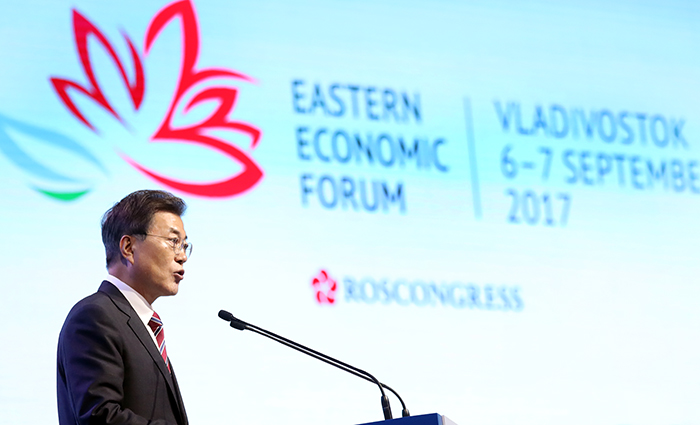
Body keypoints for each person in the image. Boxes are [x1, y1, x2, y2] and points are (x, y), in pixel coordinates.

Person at [57, 190, 191, 425]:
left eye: (185, 245)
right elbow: (99, 416)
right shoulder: (95, 316)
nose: (182, 257)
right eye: (173, 242)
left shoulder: (142, 324)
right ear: (128, 247)